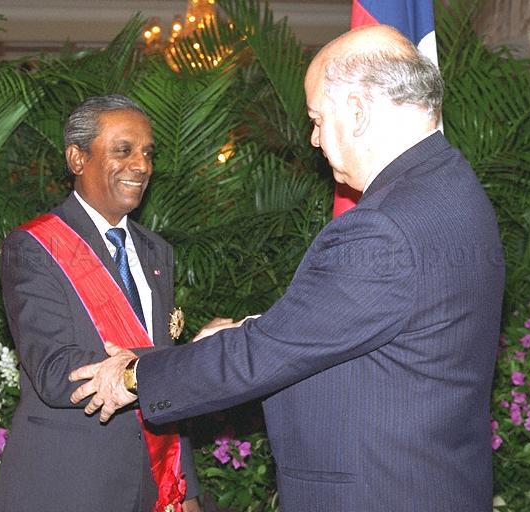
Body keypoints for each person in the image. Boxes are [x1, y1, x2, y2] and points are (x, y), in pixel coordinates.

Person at [69, 25, 506, 512]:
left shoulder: (383, 226)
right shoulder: (450, 185)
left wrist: (133, 376)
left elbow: (264, 355)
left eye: (317, 119)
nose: (315, 139)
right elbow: (384, 317)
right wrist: (250, 328)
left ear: (357, 112)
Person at [0, 95, 201, 512]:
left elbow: (162, 384)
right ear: (77, 158)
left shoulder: (157, 251)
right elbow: (56, 373)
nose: (141, 166)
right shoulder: (35, 247)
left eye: (147, 153)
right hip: (68, 485)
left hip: (155, 483)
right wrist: (182, 363)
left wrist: (186, 487)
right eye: (123, 151)